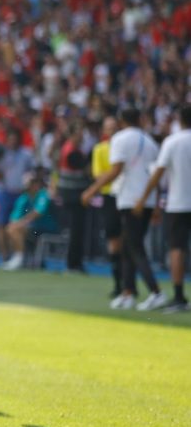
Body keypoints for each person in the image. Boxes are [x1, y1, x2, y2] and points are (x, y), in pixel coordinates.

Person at [82, 108, 164, 310]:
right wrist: (154, 204)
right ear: (140, 119)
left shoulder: (120, 139)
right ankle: (128, 293)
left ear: (121, 121)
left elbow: (116, 170)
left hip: (130, 199)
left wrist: (92, 190)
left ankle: (156, 292)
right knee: (128, 245)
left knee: (134, 247)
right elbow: (156, 174)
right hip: (146, 199)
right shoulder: (151, 142)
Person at [134, 103, 191, 313]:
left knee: (177, 249)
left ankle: (179, 297)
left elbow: (157, 174)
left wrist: (144, 199)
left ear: (180, 120)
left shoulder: (173, 141)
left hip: (178, 203)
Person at [89, 116, 124, 299]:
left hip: (126, 196)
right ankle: (119, 284)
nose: (111, 131)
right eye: (108, 128)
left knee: (126, 241)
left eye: (114, 127)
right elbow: (99, 176)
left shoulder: (125, 148)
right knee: (114, 241)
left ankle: (127, 286)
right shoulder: (100, 149)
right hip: (110, 197)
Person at [0, 171, 58, 271]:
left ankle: (19, 259)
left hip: (46, 228)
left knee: (14, 229)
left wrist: (21, 223)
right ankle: (18, 257)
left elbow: (38, 212)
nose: (32, 185)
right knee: (11, 228)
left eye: (34, 182)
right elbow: (15, 217)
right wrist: (16, 224)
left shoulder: (43, 195)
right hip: (32, 229)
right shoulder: (24, 197)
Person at [0, 132, 34, 266]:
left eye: (15, 139)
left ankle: (15, 256)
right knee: (2, 225)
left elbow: (31, 172)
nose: (12, 142)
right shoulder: (3, 154)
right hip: (5, 192)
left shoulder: (26, 154)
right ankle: (4, 257)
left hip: (20, 193)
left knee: (15, 224)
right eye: (10, 139)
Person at [56, 120, 91, 273]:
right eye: (79, 133)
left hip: (70, 193)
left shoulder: (69, 148)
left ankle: (74, 262)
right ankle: (73, 263)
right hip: (73, 194)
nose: (82, 136)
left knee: (76, 230)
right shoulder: (72, 151)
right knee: (76, 231)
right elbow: (87, 170)